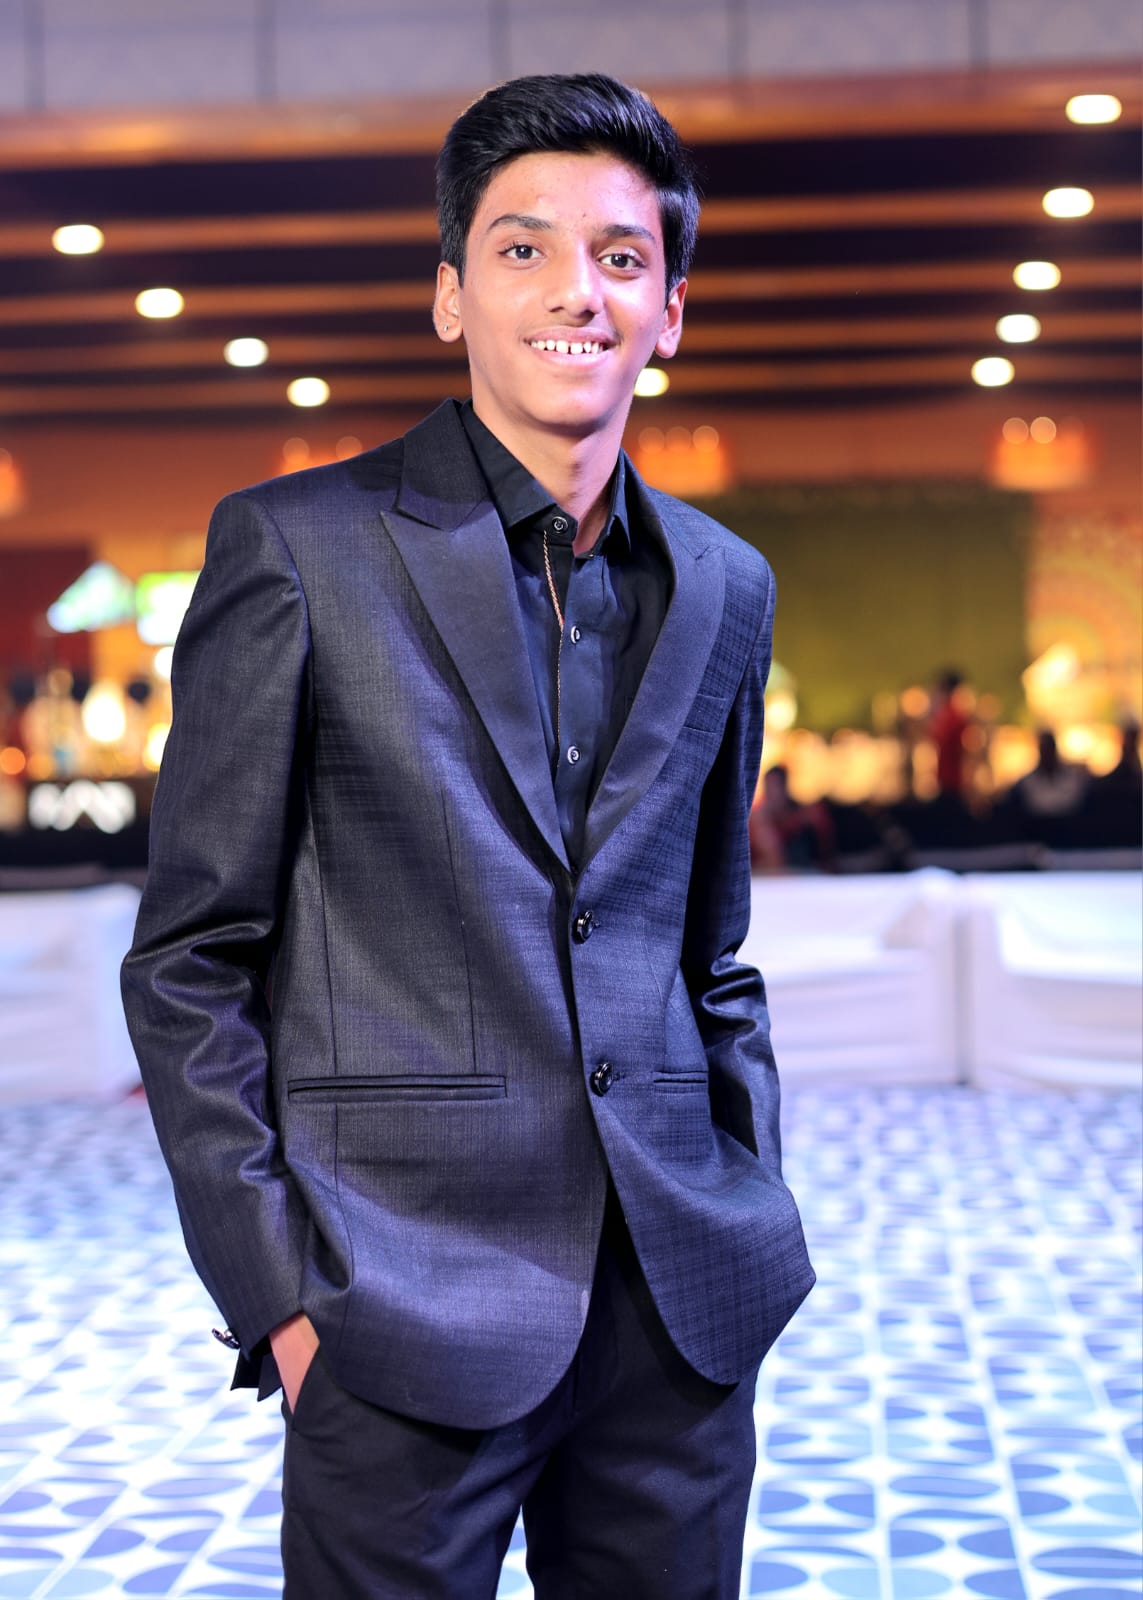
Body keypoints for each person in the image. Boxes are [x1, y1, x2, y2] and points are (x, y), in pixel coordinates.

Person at [121, 72, 814, 1599]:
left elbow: (711, 949)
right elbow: (190, 961)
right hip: (395, 1307)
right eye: (522, 248)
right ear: (450, 295)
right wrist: (280, 1299)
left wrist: (748, 1184)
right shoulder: (297, 550)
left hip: (679, 1309)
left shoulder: (727, 585)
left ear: (670, 312)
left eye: (621, 257)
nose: (576, 290)